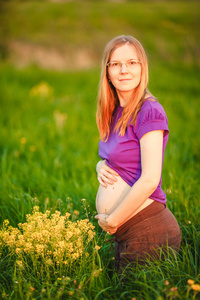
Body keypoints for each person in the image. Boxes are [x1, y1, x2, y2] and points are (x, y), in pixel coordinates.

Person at [95, 35, 181, 272]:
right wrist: (100, 166)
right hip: (125, 230)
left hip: (148, 231)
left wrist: (113, 219)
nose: (124, 70)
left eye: (132, 62)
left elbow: (151, 178)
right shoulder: (114, 111)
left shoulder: (149, 111)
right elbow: (118, 157)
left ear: (142, 67)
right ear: (108, 71)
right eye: (116, 64)